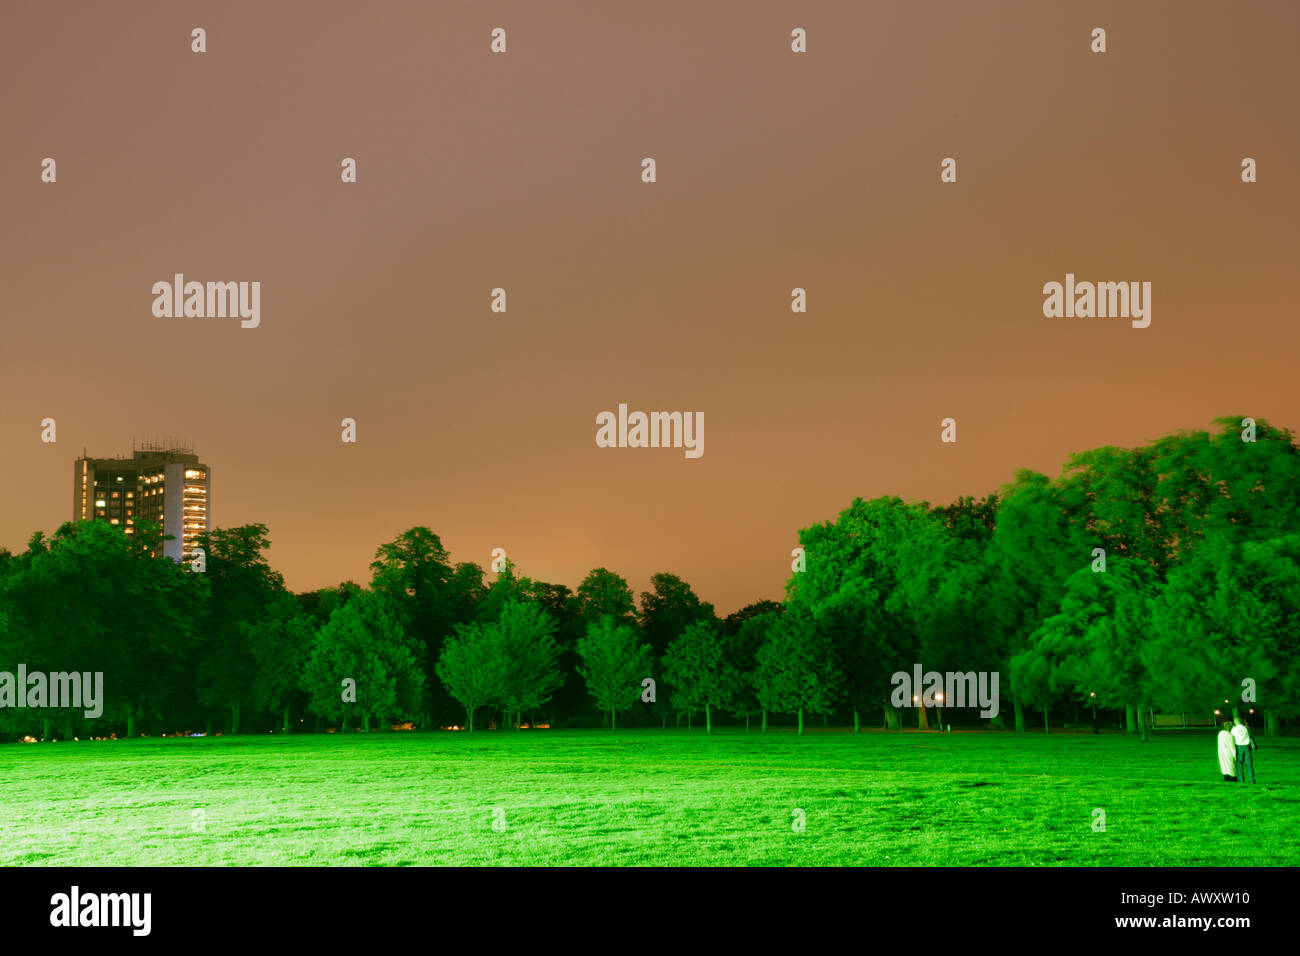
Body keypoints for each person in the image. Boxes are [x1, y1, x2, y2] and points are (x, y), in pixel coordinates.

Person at [1231, 717, 1257, 783]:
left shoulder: (1234, 729)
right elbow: (1250, 736)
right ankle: (1252, 780)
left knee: (1239, 764)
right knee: (1249, 764)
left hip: (1238, 747)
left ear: (1235, 722)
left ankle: (1241, 780)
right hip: (1247, 746)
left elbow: (1232, 738)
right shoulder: (1246, 728)